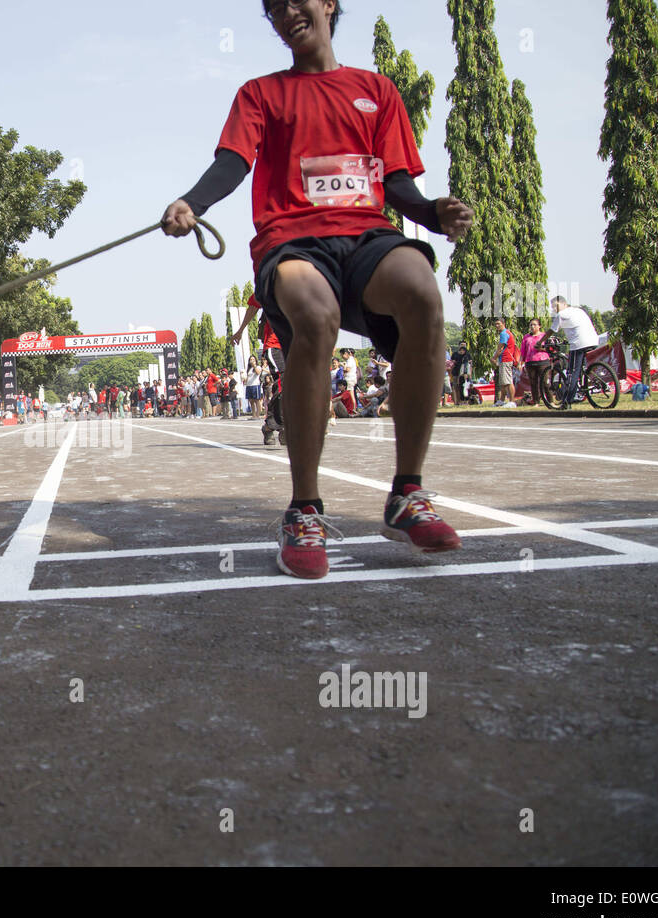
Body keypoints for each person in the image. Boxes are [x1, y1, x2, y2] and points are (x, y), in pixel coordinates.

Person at [162, 0, 473, 579]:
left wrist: (432, 213)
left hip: (366, 236)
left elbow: (398, 183)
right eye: (272, 7)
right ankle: (304, 508)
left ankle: (407, 493)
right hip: (293, 242)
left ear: (328, 3)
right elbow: (232, 163)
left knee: (425, 294)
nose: (285, 12)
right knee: (315, 314)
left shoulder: (376, 90)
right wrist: (192, 203)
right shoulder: (260, 94)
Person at [548, 295, 599, 407]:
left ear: (564, 304)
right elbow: (576, 327)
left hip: (579, 344)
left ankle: (567, 401)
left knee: (572, 373)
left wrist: (539, 342)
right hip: (593, 340)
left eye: (556, 306)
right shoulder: (578, 310)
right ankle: (583, 384)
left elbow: (551, 330)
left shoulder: (561, 314)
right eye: (553, 307)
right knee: (580, 370)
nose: (555, 309)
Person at [519, 319, 551, 406]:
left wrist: (541, 348)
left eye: (534, 325)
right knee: (533, 383)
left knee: (545, 382)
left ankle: (550, 400)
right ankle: (536, 401)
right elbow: (523, 351)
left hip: (543, 362)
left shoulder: (544, 336)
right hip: (530, 362)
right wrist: (520, 362)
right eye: (531, 325)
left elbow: (550, 349)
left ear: (539, 326)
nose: (532, 327)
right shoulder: (526, 337)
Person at [492, 319, 518, 407]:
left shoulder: (504, 333)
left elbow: (500, 348)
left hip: (506, 358)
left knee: (508, 381)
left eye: (498, 324)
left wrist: (494, 358)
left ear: (503, 324)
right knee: (503, 381)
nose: (497, 326)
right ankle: (501, 400)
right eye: (496, 324)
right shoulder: (506, 333)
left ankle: (512, 401)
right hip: (504, 359)